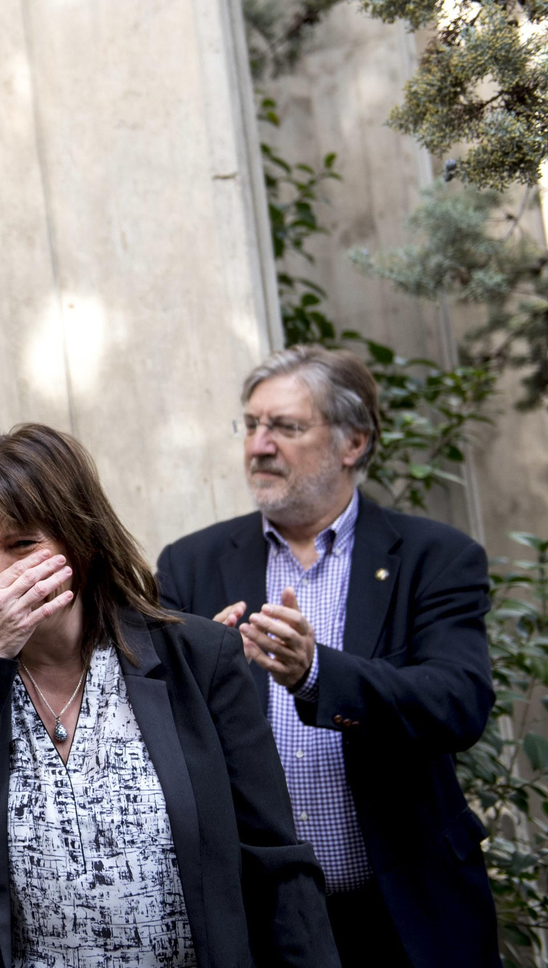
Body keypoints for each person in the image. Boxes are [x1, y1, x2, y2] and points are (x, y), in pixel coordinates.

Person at [0, 423, 337, 968]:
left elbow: (275, 863)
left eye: (23, 543)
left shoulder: (198, 658)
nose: (3, 571)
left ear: (82, 541)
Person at [156, 344, 498, 968]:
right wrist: (210, 670)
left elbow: (458, 703)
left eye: (285, 427)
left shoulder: (435, 557)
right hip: (268, 924)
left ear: (353, 443)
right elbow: (154, 729)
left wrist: (317, 674)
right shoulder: (190, 565)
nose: (259, 445)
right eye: (252, 424)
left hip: (410, 913)